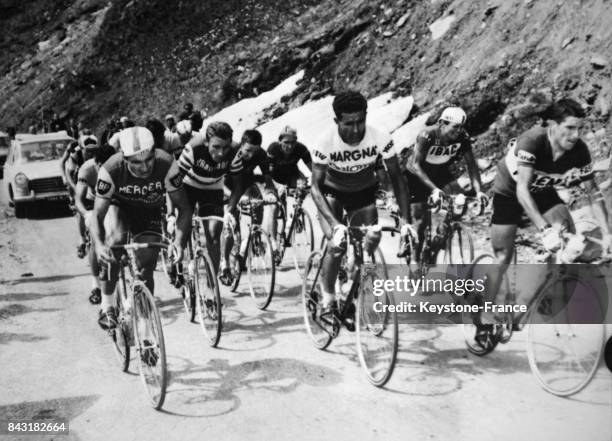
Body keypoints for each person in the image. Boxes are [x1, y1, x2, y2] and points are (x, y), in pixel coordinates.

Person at [480, 98, 612, 343]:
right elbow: (522, 190)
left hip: (543, 191)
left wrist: (607, 234)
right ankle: (485, 317)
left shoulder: (579, 151)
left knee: (569, 238)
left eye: (580, 128)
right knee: (502, 256)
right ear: (552, 124)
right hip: (510, 191)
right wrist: (544, 229)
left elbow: (593, 193)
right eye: (570, 128)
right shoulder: (533, 140)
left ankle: (542, 294)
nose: (575, 135)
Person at [310, 91, 413, 315]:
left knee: (369, 243)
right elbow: (315, 187)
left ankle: (351, 283)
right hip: (332, 193)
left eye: (361, 121)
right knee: (337, 245)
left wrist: (406, 222)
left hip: (363, 192)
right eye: (349, 123)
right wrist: (334, 223)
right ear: (337, 121)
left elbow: (397, 178)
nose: (356, 130)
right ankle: (327, 298)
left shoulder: (379, 137)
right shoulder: (325, 141)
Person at [90, 126, 192, 329]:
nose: (144, 168)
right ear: (124, 158)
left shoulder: (167, 163)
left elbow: (184, 208)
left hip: (148, 210)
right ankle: (107, 305)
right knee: (115, 243)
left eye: (148, 160)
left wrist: (180, 243)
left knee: (147, 266)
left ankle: (145, 325)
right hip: (119, 205)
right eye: (136, 163)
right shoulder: (110, 169)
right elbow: (97, 215)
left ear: (155, 152)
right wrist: (100, 245)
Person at [402, 106, 488, 254]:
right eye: (455, 127)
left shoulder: (463, 137)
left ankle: (441, 235)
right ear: (442, 123)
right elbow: (416, 165)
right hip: (417, 175)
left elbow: (472, 166)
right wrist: (434, 189)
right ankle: (415, 261)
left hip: (440, 172)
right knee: (421, 221)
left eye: (461, 128)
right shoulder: (427, 134)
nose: (458, 131)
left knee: (459, 202)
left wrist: (479, 192)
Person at [177, 121, 245, 284]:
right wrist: (174, 212)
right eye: (216, 147)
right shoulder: (193, 148)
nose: (221, 153)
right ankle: (180, 265)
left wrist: (230, 209)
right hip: (188, 185)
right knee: (184, 229)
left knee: (214, 235)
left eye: (225, 147)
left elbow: (238, 184)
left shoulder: (235, 151)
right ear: (207, 142)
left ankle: (211, 287)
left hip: (213, 187)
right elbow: (175, 181)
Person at [225, 129, 277, 269]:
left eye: (254, 151)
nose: (251, 155)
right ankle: (231, 252)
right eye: (247, 150)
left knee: (257, 204)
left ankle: (253, 239)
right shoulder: (231, 152)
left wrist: (270, 193)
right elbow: (219, 180)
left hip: (246, 182)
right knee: (233, 218)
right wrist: (234, 197)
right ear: (241, 145)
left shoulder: (260, 154)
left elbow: (268, 179)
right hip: (228, 183)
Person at [75, 143, 116, 304]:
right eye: (103, 167)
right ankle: (96, 285)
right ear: (97, 164)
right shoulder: (87, 169)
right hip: (93, 202)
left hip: (113, 199)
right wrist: (86, 214)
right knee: (95, 239)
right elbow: (78, 199)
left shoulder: (118, 166)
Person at [266, 125, 313, 257]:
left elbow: (313, 169)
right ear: (280, 141)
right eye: (286, 142)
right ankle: (273, 242)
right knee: (274, 207)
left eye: (293, 142)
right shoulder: (273, 148)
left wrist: (318, 183)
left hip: (292, 175)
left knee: (303, 185)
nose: (290, 146)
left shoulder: (301, 148)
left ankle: (296, 214)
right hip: (274, 179)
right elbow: (267, 175)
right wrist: (277, 186)